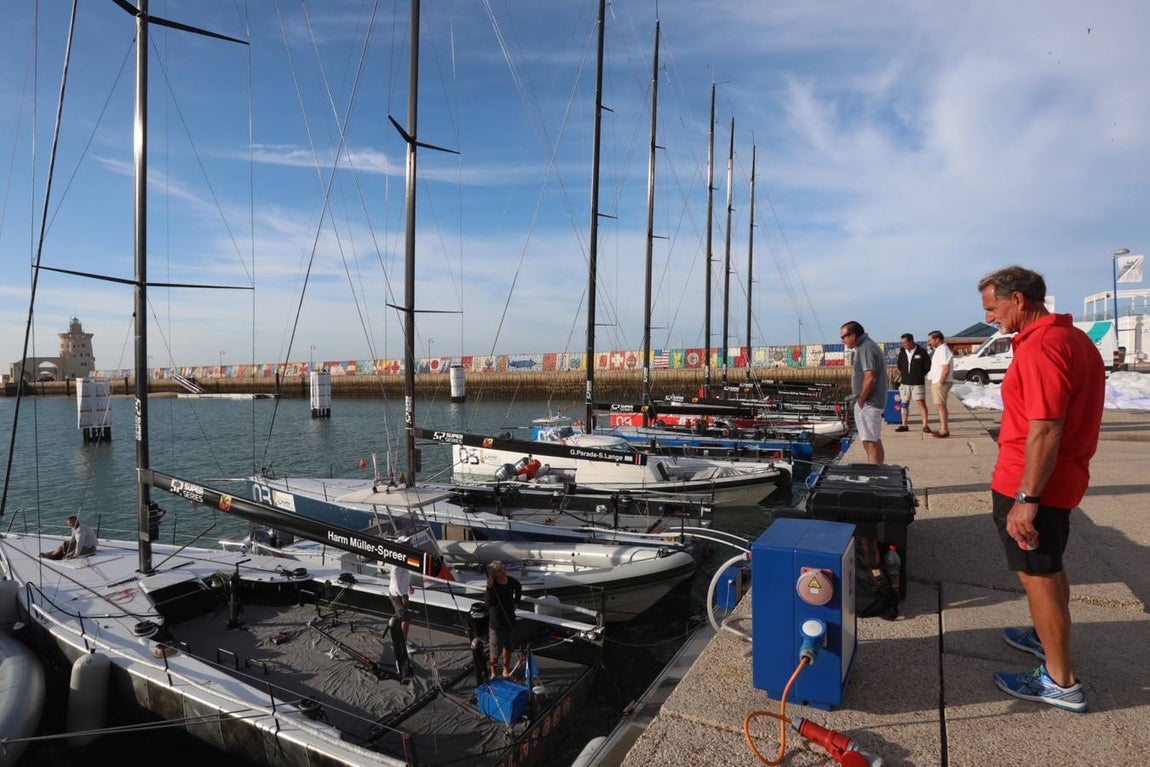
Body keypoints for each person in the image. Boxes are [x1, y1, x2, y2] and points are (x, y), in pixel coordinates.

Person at [979, 265, 1103, 713]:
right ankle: (1045, 637)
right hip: (1058, 479)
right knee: (1049, 566)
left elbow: (1047, 427)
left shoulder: (1042, 347)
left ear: (1019, 300)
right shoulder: (1072, 339)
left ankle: (1060, 680)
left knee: (1038, 576)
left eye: (993, 308)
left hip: (1031, 484)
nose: (990, 318)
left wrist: (1025, 500)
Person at [841, 320, 889, 464]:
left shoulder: (865, 348)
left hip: (869, 402)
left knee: (869, 442)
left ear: (853, 335)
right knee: (874, 439)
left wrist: (861, 399)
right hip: (873, 401)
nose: (842, 340)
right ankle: (879, 472)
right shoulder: (868, 345)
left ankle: (874, 478)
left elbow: (870, 376)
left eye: (844, 337)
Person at [485, 560, 522, 679]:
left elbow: (518, 587)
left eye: (501, 568)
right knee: (495, 652)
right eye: (499, 570)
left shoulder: (510, 581)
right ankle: (493, 673)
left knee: (508, 649)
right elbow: (488, 603)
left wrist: (516, 602)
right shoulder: (493, 585)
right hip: (497, 624)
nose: (503, 571)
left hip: (510, 620)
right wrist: (489, 588)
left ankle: (506, 670)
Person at [895, 333, 931, 433]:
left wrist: (919, 374)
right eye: (902, 343)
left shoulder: (922, 352)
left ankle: (925, 425)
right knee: (904, 403)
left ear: (911, 341)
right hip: (905, 382)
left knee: (920, 403)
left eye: (905, 342)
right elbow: (899, 365)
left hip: (917, 383)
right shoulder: (902, 352)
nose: (903, 345)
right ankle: (904, 424)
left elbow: (927, 366)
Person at [926, 330, 954, 437]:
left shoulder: (943, 350)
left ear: (937, 339)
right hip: (938, 381)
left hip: (941, 381)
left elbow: (946, 368)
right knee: (939, 405)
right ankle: (943, 428)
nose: (930, 342)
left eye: (931, 340)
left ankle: (944, 430)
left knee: (940, 405)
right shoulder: (939, 350)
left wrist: (941, 382)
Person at [388, 550, 416, 652]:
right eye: (408, 543)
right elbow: (395, 580)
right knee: (406, 618)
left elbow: (403, 576)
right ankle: (402, 645)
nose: (411, 545)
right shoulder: (397, 563)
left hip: (402, 593)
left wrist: (409, 586)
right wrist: (403, 595)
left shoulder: (402, 559)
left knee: (403, 618)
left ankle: (401, 640)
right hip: (397, 595)